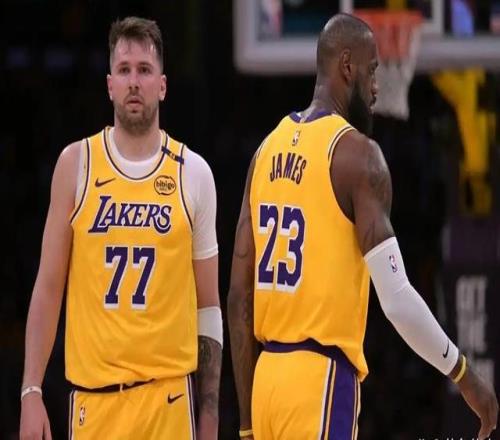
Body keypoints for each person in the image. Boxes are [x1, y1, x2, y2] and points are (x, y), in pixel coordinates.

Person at [227, 13, 498, 440]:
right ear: (347, 66)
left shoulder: (265, 152)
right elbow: (396, 298)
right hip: (319, 380)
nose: (376, 87)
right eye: (372, 71)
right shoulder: (357, 156)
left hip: (266, 383)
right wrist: (463, 372)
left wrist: (246, 423)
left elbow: (239, 297)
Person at [20, 16, 222, 440]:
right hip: (94, 404)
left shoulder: (194, 173)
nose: (134, 82)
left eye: (144, 70)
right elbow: (49, 286)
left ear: (162, 86)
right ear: (110, 84)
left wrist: (209, 417)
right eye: (125, 70)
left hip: (169, 404)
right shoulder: (75, 165)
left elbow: (208, 307)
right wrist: (31, 390)